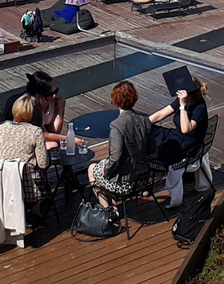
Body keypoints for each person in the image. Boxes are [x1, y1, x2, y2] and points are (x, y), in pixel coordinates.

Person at [89, 80, 155, 209]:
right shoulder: (144, 120)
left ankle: (108, 210)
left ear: (115, 100)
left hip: (125, 182)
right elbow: (152, 147)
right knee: (105, 165)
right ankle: (113, 205)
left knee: (92, 169)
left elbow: (115, 157)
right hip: (142, 179)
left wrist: (106, 171)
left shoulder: (117, 125)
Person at [149, 82, 209, 164]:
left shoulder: (199, 107)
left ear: (189, 95)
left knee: (152, 146)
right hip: (175, 135)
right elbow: (161, 114)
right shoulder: (184, 100)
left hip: (185, 145)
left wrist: (182, 105)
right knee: (148, 130)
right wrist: (143, 123)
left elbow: (186, 129)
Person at [26, 71, 67, 136]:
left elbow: (55, 131)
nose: (54, 96)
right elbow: (44, 135)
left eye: (56, 92)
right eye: (50, 94)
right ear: (39, 95)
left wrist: (60, 110)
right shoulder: (32, 107)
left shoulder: (54, 103)